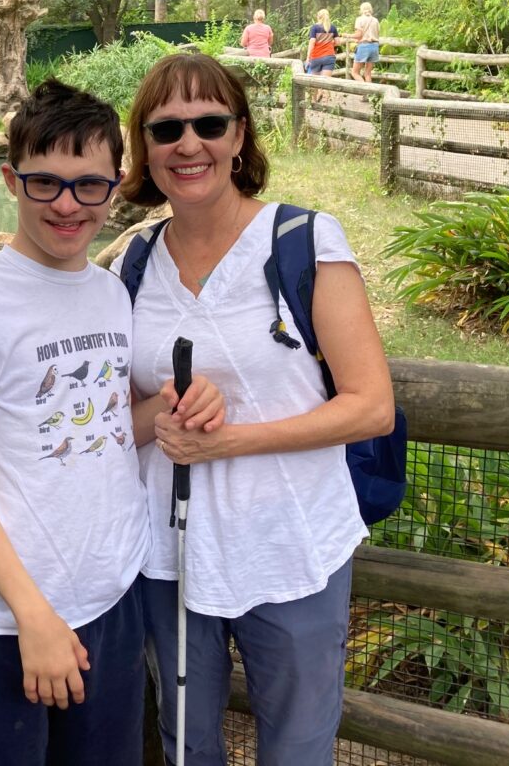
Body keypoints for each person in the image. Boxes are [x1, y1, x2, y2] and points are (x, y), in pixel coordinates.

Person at [0, 78, 224, 766]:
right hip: (13, 616)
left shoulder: (107, 292)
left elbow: (104, 423)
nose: (67, 204)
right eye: (45, 183)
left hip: (111, 592)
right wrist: (31, 614)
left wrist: (179, 403)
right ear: (11, 179)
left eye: (88, 185)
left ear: (115, 185)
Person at [115, 53, 395, 765]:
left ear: (238, 136)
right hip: (168, 549)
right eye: (165, 127)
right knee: (185, 743)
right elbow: (117, 417)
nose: (188, 143)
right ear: (143, 147)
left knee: (297, 748)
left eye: (208, 122)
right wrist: (165, 412)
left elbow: (370, 407)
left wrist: (229, 440)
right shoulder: (132, 262)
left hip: (289, 545)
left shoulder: (301, 241)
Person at [350, 1, 381, 82]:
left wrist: (346, 35)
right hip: (374, 46)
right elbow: (377, 34)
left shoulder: (359, 19)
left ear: (361, 10)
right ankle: (370, 94)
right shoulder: (375, 20)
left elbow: (358, 35)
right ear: (371, 9)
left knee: (355, 72)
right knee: (368, 73)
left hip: (364, 46)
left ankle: (364, 90)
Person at [304, 8, 339, 75]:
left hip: (316, 57)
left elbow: (312, 42)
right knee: (325, 82)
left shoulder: (314, 28)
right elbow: (338, 42)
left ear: (318, 17)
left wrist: (308, 58)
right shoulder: (333, 27)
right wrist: (329, 45)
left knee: (315, 83)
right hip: (329, 57)